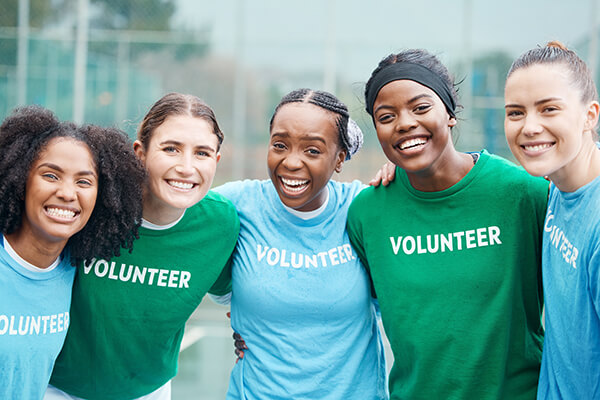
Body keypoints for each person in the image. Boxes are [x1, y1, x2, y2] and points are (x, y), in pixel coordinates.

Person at [346, 49, 549, 400]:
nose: (405, 123)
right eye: (386, 116)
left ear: (450, 114)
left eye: (421, 107)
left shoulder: (524, 193)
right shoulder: (367, 213)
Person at [47, 93, 240, 399]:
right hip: (56, 388)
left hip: (149, 391)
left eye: (202, 153)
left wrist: (251, 329)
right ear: (140, 153)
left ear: (216, 161)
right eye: (171, 149)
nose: (186, 167)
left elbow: (236, 295)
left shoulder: (221, 223)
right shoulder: (95, 204)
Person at [214, 88, 388, 400]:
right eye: (280, 145)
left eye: (312, 151)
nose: (291, 162)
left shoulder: (365, 209)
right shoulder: (237, 205)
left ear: (339, 159)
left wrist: (402, 176)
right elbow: (173, 221)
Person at [0, 105, 144, 400]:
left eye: (83, 181)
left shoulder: (74, 269)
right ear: (19, 179)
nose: (68, 193)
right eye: (50, 176)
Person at [504, 41, 600, 399]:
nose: (530, 127)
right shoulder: (558, 185)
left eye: (549, 109)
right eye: (516, 112)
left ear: (590, 115)